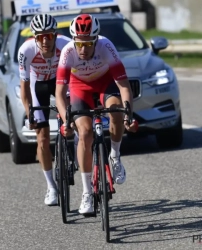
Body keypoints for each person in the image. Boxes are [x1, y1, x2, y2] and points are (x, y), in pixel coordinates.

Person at [55, 14, 138, 215]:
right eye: (79, 44)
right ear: (74, 40)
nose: (83, 49)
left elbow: (124, 86)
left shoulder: (106, 47)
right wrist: (66, 120)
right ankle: (87, 193)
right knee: (84, 133)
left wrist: (129, 115)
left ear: (96, 40)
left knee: (116, 111)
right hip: (79, 87)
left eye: (88, 44)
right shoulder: (67, 52)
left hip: (105, 83)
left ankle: (115, 155)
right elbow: (59, 93)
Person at [18, 14, 71, 206]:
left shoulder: (66, 45)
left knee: (75, 118)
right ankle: (51, 187)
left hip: (60, 82)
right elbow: (24, 87)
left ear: (55, 35)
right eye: (40, 37)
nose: (45, 40)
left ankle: (75, 149)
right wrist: (29, 111)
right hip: (37, 84)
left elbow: (77, 75)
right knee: (42, 137)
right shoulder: (26, 50)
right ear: (35, 37)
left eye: (49, 35)